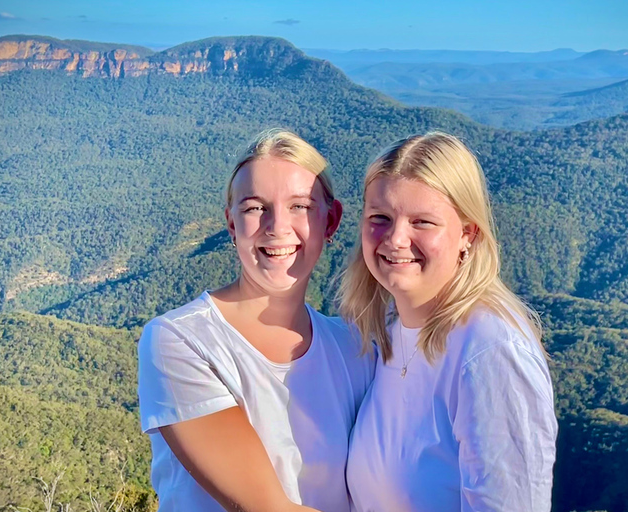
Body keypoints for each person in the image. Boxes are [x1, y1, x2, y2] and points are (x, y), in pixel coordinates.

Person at [137, 129, 374, 512]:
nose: (277, 226)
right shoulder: (179, 341)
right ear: (231, 224)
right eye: (254, 208)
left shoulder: (356, 350)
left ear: (331, 222)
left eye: (299, 206)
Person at [340, 132, 558, 511]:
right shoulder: (390, 331)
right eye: (380, 218)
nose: (395, 239)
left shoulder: (489, 351)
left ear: (467, 234)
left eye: (422, 222)